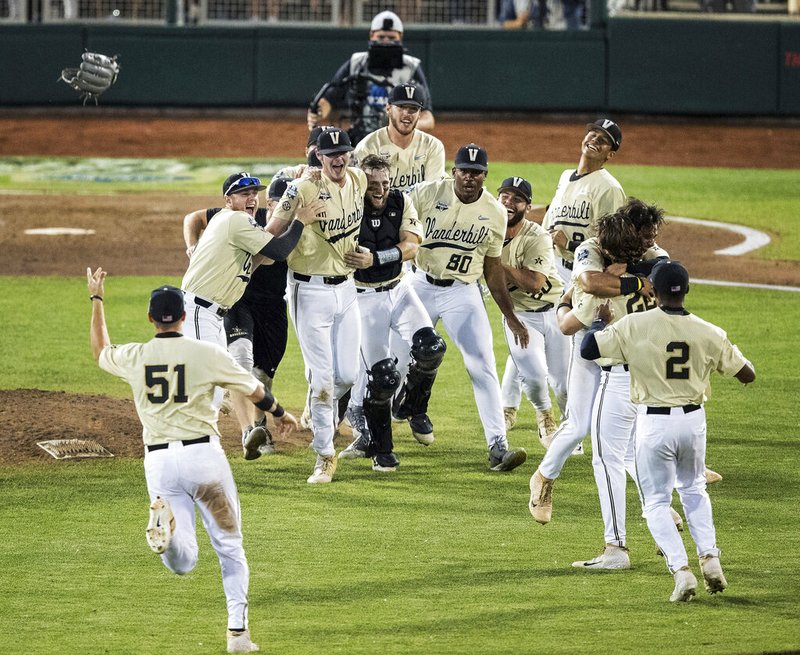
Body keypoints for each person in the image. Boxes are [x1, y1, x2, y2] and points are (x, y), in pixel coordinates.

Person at [87, 269, 297, 653]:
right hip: (204, 461)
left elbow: (101, 349)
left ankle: (166, 537)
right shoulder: (207, 353)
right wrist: (282, 415)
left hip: (160, 466)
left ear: (151, 319)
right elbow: (254, 390)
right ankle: (238, 635)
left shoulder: (137, 356)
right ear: (184, 315)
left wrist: (97, 300)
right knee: (230, 548)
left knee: (184, 561)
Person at [579, 260, 755, 602]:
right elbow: (746, 374)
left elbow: (588, 349)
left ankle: (682, 571)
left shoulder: (634, 324)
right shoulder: (709, 331)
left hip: (654, 422)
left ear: (653, 292)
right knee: (694, 491)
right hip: (693, 422)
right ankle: (711, 561)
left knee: (657, 503)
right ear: (687, 290)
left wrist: (599, 321)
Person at [528, 199, 667, 526]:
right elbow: (584, 296)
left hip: (628, 346)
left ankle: (666, 494)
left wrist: (624, 275)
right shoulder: (591, 254)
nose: (651, 242)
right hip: (592, 338)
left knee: (635, 429)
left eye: (652, 237)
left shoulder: (649, 253)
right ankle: (543, 479)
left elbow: (665, 277)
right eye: (646, 237)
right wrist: (632, 281)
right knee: (579, 424)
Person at [406, 143, 529, 471]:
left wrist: (511, 316)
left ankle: (497, 445)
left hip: (461, 291)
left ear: (485, 176)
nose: (469, 177)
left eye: (476, 173)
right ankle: (398, 416)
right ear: (454, 171)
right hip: (418, 282)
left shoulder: (495, 212)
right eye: (464, 171)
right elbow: (395, 218)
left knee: (483, 365)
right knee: (394, 359)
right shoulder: (427, 193)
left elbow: (492, 268)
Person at [181, 172, 321, 452]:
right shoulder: (235, 220)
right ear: (228, 200)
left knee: (232, 375)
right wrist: (300, 221)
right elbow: (279, 251)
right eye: (244, 193)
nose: (251, 198)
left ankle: (249, 433)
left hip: (214, 313)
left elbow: (260, 259)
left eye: (254, 193)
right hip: (200, 310)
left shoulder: (232, 222)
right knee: (208, 390)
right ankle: (189, 448)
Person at [269, 128, 368, 484]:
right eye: (331, 154)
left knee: (348, 376)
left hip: (347, 289)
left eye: (343, 151)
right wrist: (299, 218)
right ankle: (324, 455)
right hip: (309, 292)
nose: (338, 158)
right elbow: (269, 232)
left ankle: (316, 405)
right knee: (325, 379)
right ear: (319, 157)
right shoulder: (301, 189)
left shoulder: (358, 179)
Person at [337, 154, 446, 471]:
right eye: (373, 184)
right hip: (362, 299)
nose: (380, 190)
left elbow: (412, 245)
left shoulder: (401, 201)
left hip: (400, 289)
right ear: (361, 183)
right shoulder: (347, 206)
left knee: (431, 348)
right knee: (382, 377)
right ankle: (380, 450)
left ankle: (411, 405)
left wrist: (377, 257)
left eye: (385, 183)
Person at [496, 176, 569, 448]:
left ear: (527, 207)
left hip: (554, 313)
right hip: (521, 316)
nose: (509, 202)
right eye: (505, 196)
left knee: (562, 384)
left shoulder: (537, 236)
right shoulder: (487, 233)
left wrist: (495, 267)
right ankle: (544, 416)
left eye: (517, 198)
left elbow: (534, 282)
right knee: (536, 374)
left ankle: (569, 426)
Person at [307, 10, 434, 144]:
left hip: (398, 141)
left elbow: (428, 119)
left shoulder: (411, 67)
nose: (386, 42)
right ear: (371, 35)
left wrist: (400, 125)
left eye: (391, 38)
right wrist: (318, 112)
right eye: (381, 37)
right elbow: (329, 98)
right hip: (359, 138)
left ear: (400, 37)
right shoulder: (357, 62)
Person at [542, 118, 627, 285]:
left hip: (585, 273)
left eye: (603, 140)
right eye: (593, 134)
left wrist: (569, 244)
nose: (595, 140)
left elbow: (613, 245)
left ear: (610, 154)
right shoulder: (565, 176)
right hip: (555, 267)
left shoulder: (609, 188)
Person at [352, 83, 446, 192]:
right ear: (388, 108)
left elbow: (433, 194)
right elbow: (362, 196)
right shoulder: (368, 147)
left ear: (419, 113)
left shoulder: (433, 146)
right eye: (401, 107)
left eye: (413, 109)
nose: (407, 113)